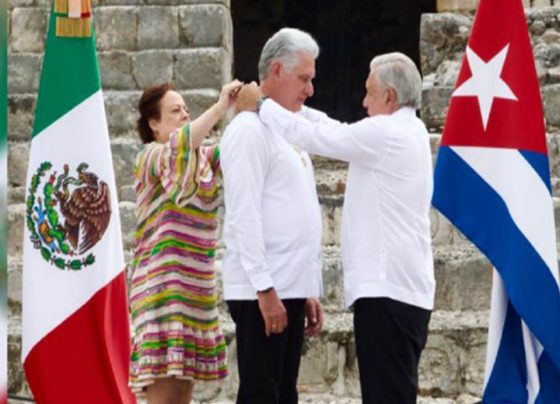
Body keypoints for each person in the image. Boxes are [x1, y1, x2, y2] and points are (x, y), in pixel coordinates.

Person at [237, 52, 435, 404]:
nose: (363, 101)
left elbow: (324, 139)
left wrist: (264, 105)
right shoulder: (408, 129)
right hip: (401, 291)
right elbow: (334, 129)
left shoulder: (388, 132)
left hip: (389, 291)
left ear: (389, 96)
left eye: (369, 92)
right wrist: (293, 108)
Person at [219, 28, 325, 404]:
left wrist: (308, 285)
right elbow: (243, 215)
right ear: (277, 70)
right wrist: (264, 288)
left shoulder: (288, 128)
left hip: (290, 285)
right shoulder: (248, 131)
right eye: (304, 79)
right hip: (262, 291)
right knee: (262, 394)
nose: (309, 89)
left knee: (284, 394)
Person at [128, 79, 242, 404]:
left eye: (185, 109)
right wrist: (220, 107)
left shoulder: (204, 158)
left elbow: (237, 150)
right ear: (153, 123)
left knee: (182, 398)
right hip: (161, 292)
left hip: (195, 293)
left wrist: (253, 106)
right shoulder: (149, 156)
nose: (184, 115)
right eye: (175, 110)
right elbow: (182, 143)